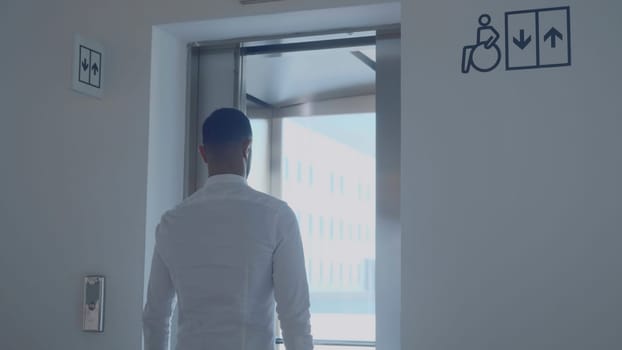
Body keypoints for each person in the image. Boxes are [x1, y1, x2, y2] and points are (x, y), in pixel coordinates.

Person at [143, 108, 313, 350]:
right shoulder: (277, 217)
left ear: (203, 153)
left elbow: (155, 316)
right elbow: (295, 317)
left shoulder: (172, 222)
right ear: (247, 148)